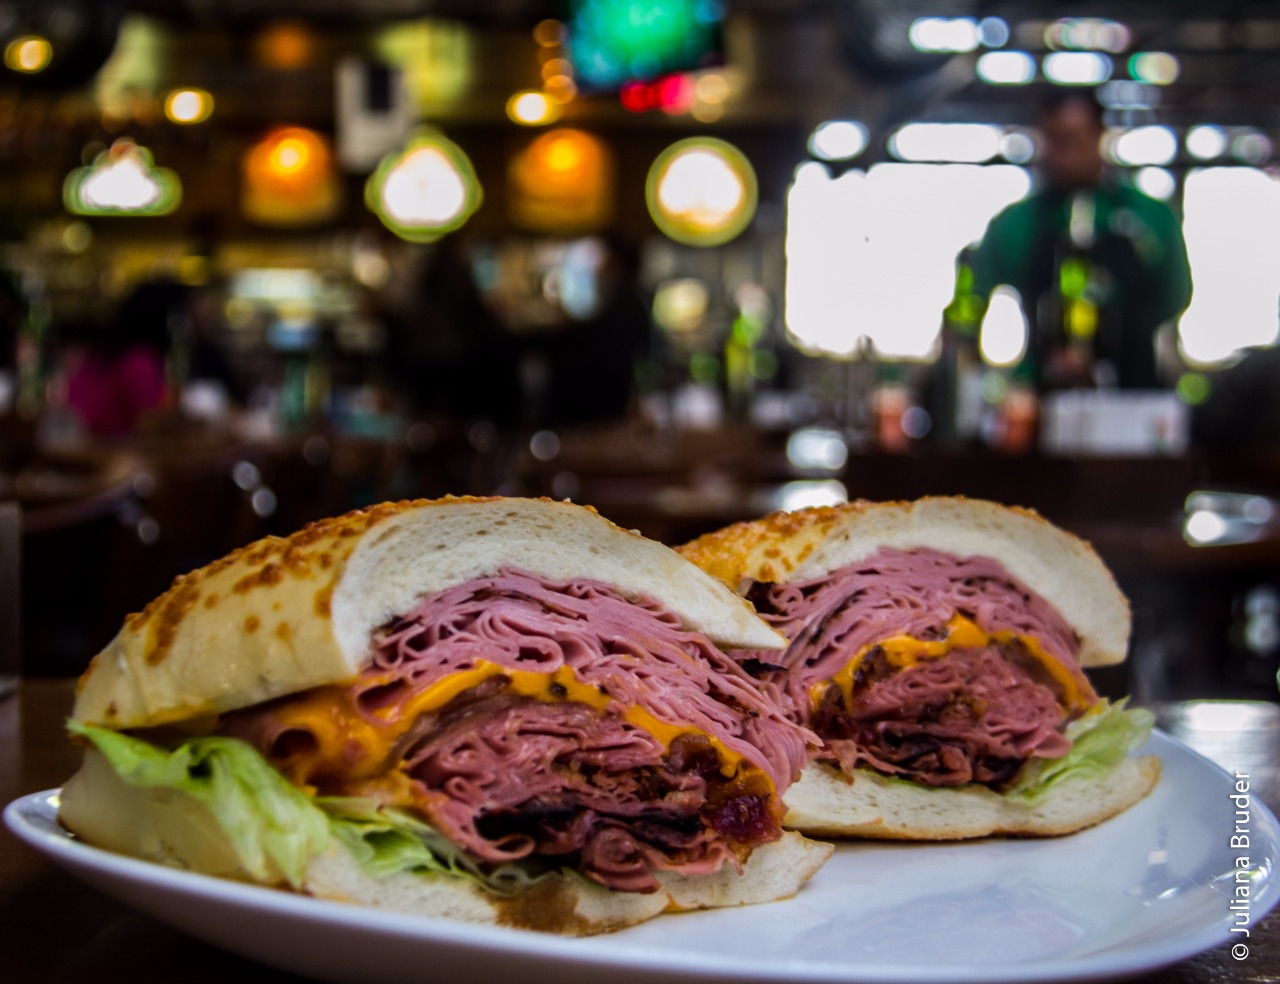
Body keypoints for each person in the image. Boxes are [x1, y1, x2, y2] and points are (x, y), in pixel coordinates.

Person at [967, 90, 1192, 391]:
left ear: (1100, 135)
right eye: (1054, 141)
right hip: (1038, 389)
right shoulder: (1015, 223)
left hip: (1133, 390)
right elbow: (976, 298)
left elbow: (1176, 294)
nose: (1064, 154)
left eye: (1074, 139)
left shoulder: (1149, 217)